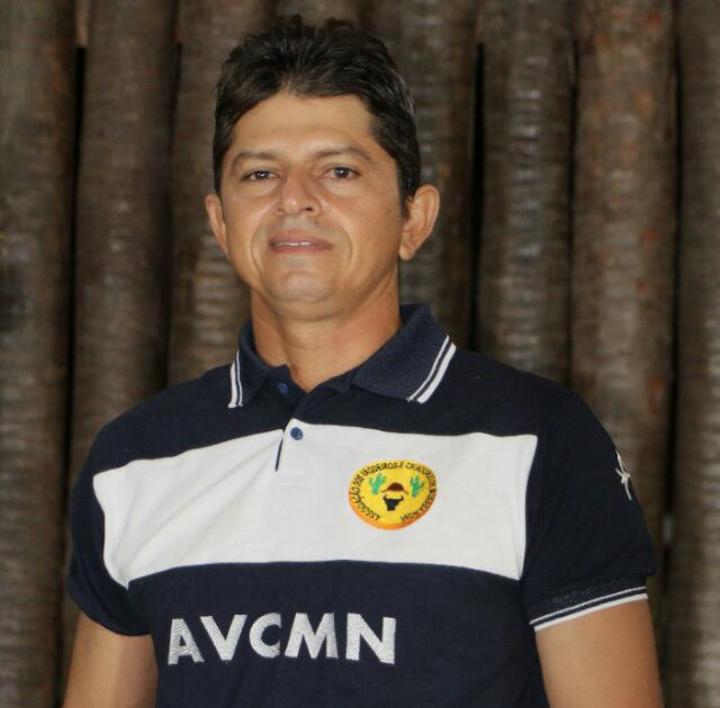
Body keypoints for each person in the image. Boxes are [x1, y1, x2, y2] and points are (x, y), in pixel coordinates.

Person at [63, 15, 663, 708]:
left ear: (414, 218)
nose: (294, 198)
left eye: (339, 171)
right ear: (221, 224)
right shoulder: (134, 461)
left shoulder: (540, 440)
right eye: (260, 173)